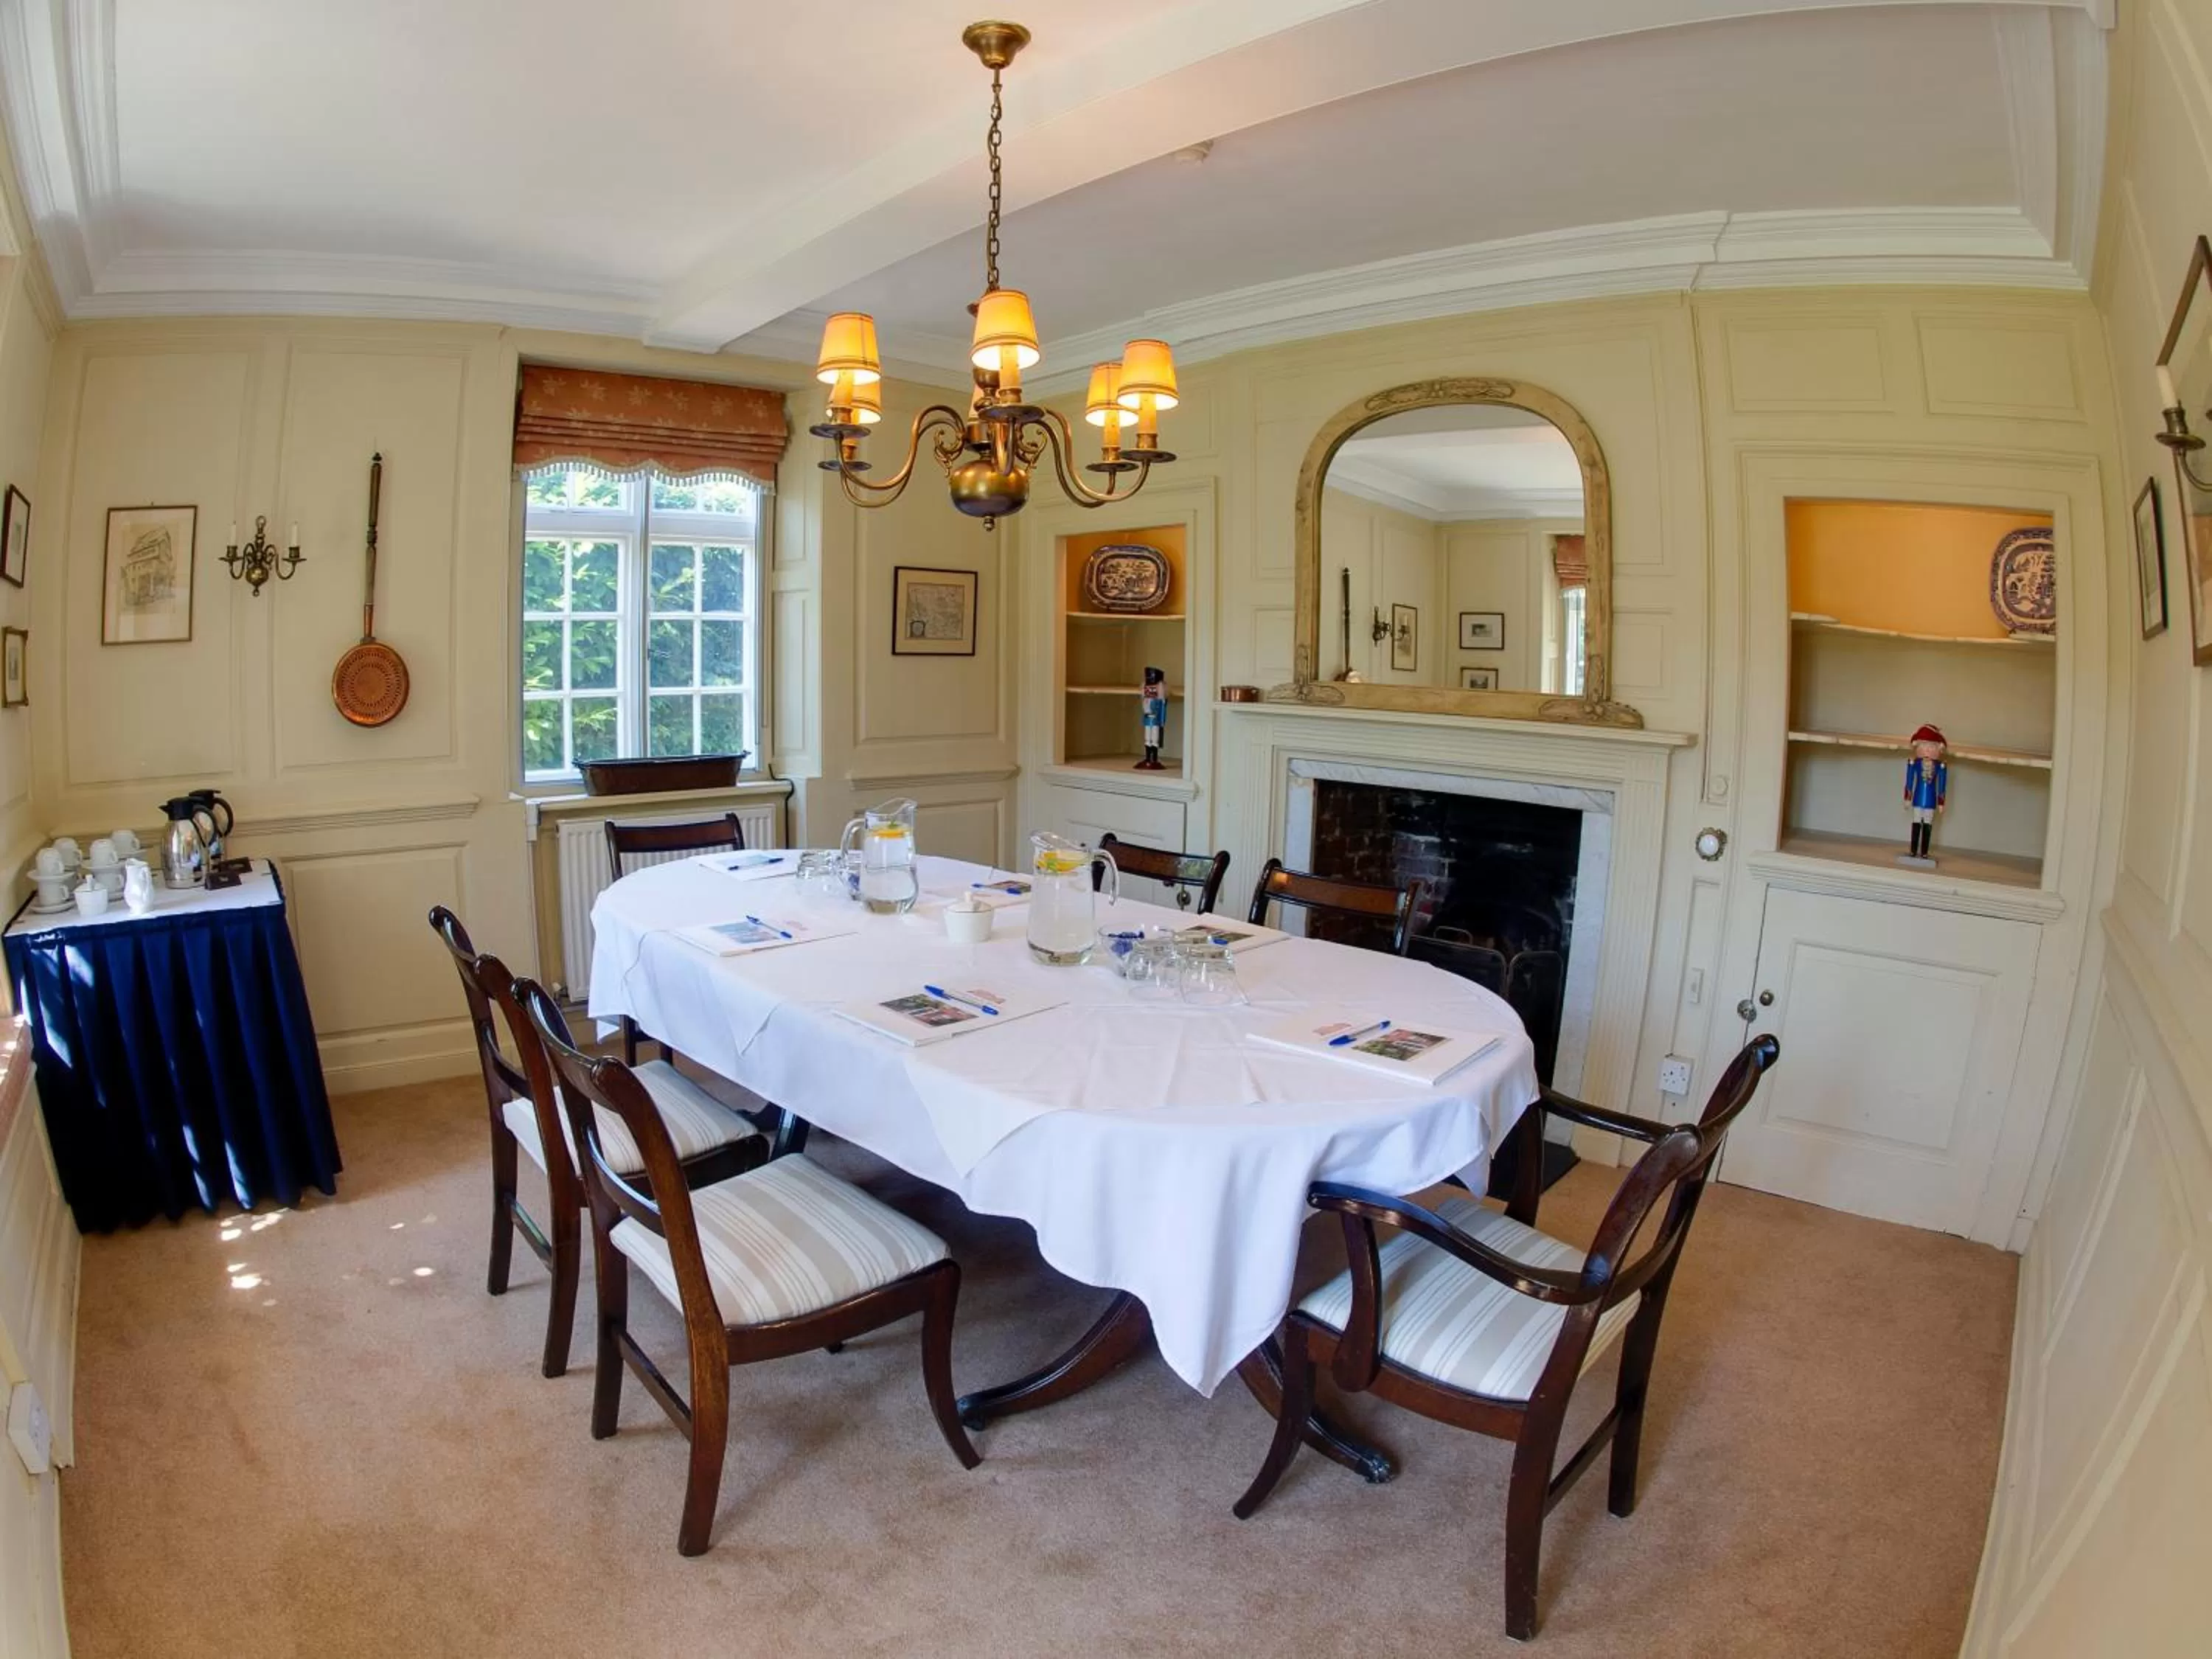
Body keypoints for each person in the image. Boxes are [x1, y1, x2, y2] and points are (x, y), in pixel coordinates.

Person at [1902, 723, 1947, 862]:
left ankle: (1924, 853)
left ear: (1938, 748)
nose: (1927, 750)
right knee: (1916, 822)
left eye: (1931, 747)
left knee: (1928, 824)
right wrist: (1907, 798)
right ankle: (1913, 850)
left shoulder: (1940, 766)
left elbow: (1942, 784)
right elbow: (1909, 780)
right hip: (1917, 798)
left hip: (1931, 801)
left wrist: (1941, 802)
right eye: (1924, 746)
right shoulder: (1914, 763)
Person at [1136, 666, 1167, 771]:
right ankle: (1147, 758)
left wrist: (1162, 720)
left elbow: (1162, 709)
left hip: (1155, 720)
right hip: (1147, 719)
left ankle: (1154, 759)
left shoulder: (1160, 700)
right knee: (1147, 739)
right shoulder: (1146, 697)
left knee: (1154, 739)